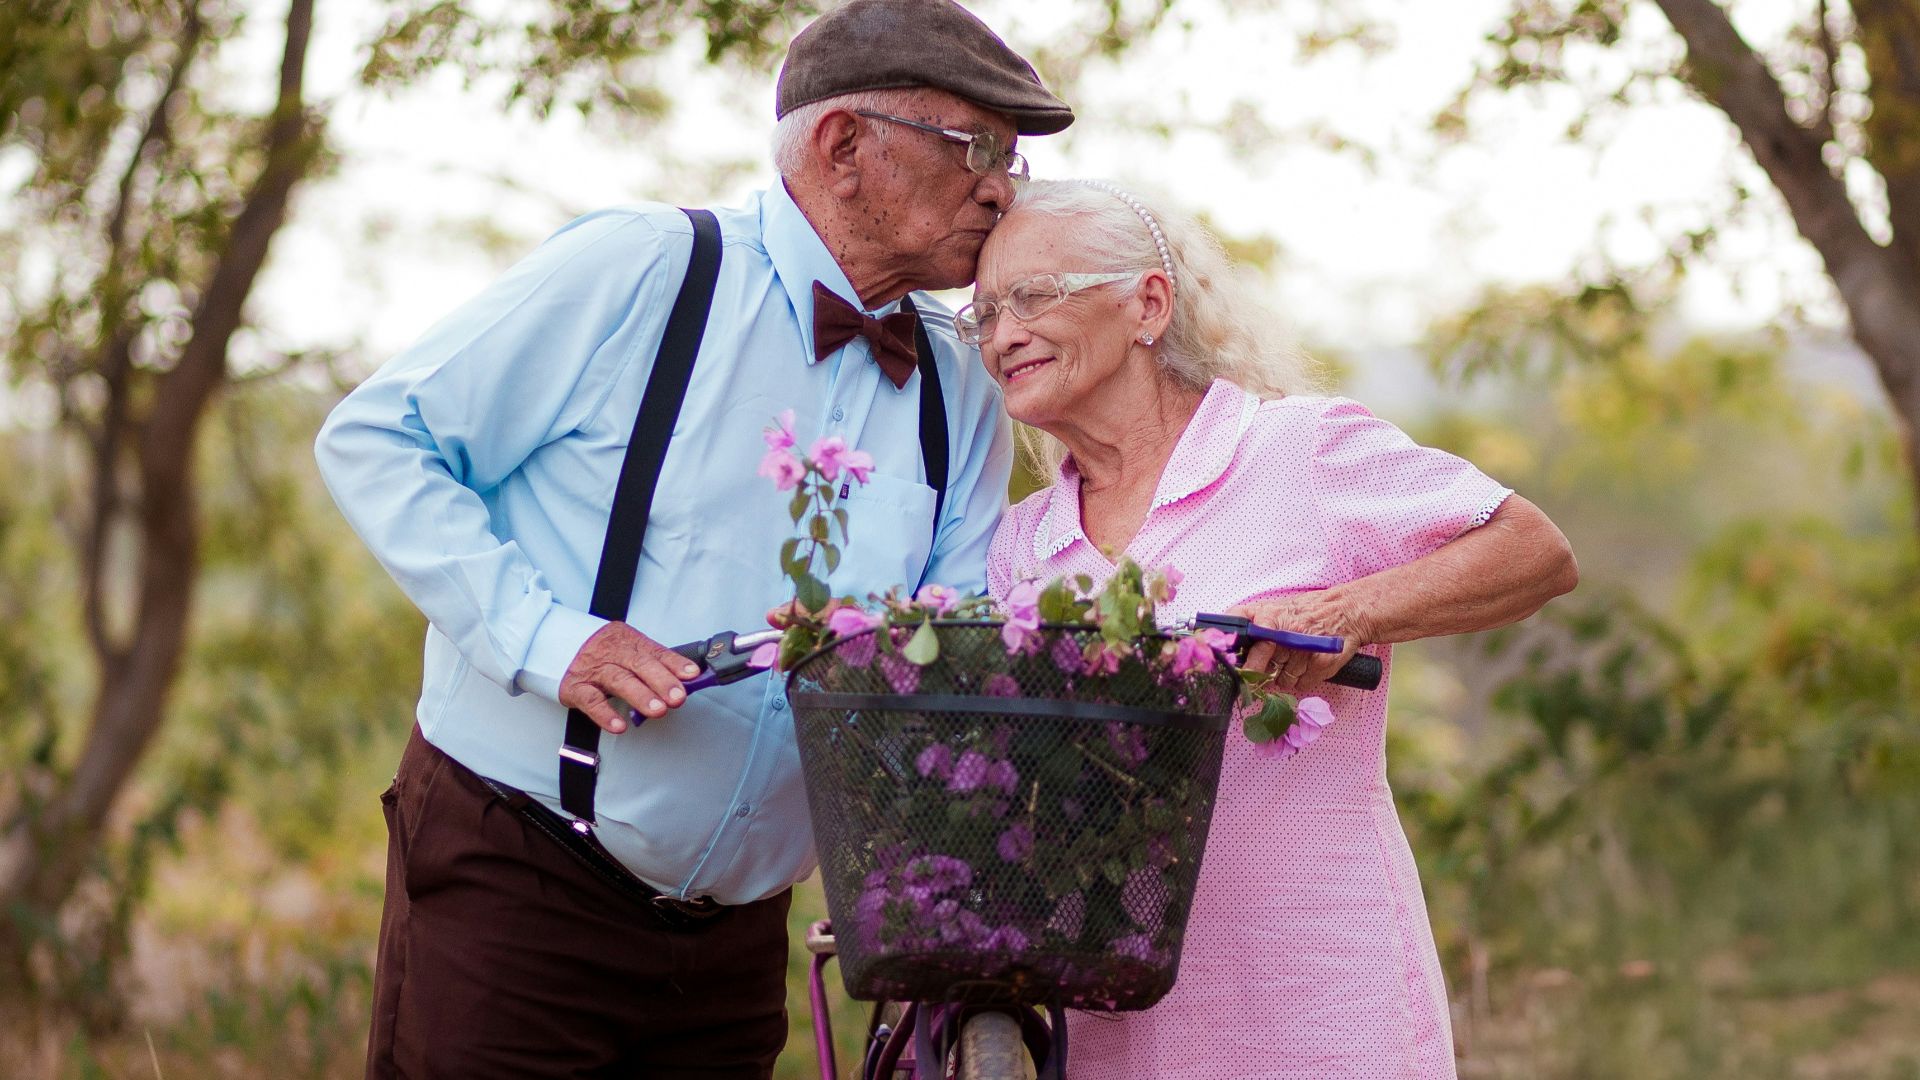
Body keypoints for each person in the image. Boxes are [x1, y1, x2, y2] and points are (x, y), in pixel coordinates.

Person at [314, 2, 1072, 1074]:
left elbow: (940, 660)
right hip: (522, 879)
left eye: (1019, 158)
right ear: (842, 145)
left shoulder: (962, 385)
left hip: (741, 937)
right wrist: (551, 639)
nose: (1003, 186)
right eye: (977, 146)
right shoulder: (647, 270)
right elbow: (379, 437)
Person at [970, 180, 1579, 1078]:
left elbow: (1533, 551)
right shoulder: (1023, 546)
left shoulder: (1294, 451)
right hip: (1116, 1012)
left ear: (1148, 303)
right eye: (980, 316)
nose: (1001, 335)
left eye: (1033, 296)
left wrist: (1343, 612)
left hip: (1318, 984)